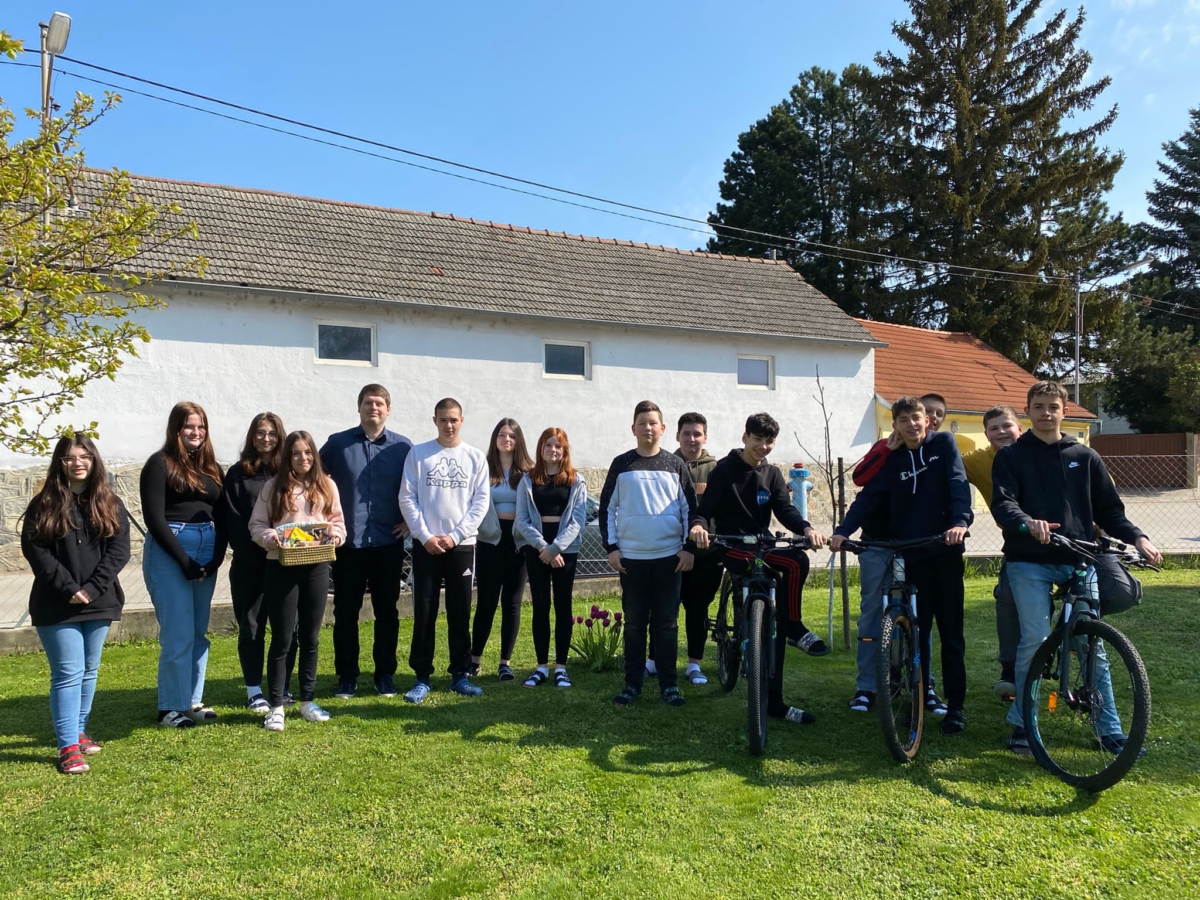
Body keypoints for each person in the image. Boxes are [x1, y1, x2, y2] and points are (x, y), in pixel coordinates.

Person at [991, 381, 1161, 756]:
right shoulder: (1011, 457)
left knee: (1092, 645)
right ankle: (1023, 724)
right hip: (1028, 561)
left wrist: (1138, 537)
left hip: (1079, 560)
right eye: (1038, 406)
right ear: (1028, 411)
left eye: (1053, 406)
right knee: (1033, 640)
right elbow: (1003, 506)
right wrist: (1027, 522)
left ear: (1064, 411)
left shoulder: (1085, 456)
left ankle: (1109, 730)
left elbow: (1110, 511)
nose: (1045, 412)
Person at [832, 396, 973, 735]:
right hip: (912, 555)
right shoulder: (892, 458)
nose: (912, 424)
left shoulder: (944, 444)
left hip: (944, 548)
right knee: (917, 631)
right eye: (904, 419)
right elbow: (869, 495)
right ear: (894, 425)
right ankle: (919, 693)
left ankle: (955, 707)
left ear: (928, 420)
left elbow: (957, 483)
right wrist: (842, 531)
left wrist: (960, 521)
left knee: (951, 633)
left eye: (917, 417)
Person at [694, 413, 828, 724]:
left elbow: (784, 509)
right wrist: (699, 528)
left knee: (797, 561)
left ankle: (789, 633)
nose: (763, 446)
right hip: (732, 546)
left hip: (762, 545)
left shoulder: (773, 474)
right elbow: (706, 510)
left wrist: (806, 529)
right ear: (745, 438)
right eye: (758, 439)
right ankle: (793, 628)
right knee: (788, 563)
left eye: (769, 441)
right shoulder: (724, 471)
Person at [21, 436, 131, 774]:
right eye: (69, 458)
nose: (78, 463)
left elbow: (119, 550)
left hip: (99, 601)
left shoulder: (110, 502)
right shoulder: (44, 504)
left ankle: (78, 731)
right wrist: (68, 588)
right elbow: (35, 551)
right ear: (60, 463)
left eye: (84, 457)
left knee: (88, 670)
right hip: (56, 604)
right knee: (68, 673)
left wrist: (93, 588)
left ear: (95, 461)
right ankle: (67, 746)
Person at [599, 400, 703, 707]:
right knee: (633, 625)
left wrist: (687, 549)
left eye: (652, 422)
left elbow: (690, 511)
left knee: (667, 625)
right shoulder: (621, 464)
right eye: (642, 423)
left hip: (669, 559)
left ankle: (669, 685)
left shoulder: (675, 465)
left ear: (662, 428)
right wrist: (612, 548)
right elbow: (607, 508)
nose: (647, 428)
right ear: (633, 428)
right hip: (630, 560)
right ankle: (632, 685)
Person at [320, 384, 411, 700]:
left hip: (388, 541)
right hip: (349, 544)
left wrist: (411, 522)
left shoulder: (402, 448)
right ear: (358, 407)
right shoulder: (337, 445)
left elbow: (417, 489)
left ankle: (385, 676)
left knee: (388, 612)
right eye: (368, 403)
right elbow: (312, 480)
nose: (374, 408)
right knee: (346, 613)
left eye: (379, 403)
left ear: (388, 409)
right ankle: (347, 677)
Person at [250, 431, 346, 732]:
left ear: (314, 455)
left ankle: (307, 701)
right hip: (281, 567)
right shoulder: (272, 487)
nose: (302, 458)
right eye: (295, 453)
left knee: (311, 637)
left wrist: (337, 535)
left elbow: (339, 523)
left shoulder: (327, 485)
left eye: (307, 453)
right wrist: (271, 537)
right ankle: (276, 706)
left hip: (317, 567)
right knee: (282, 637)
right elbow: (256, 524)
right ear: (286, 457)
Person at [140, 401, 227, 729]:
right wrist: (183, 560)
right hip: (170, 551)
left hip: (206, 550)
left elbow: (222, 515)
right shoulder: (159, 463)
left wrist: (217, 556)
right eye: (190, 426)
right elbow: (154, 517)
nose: (196, 432)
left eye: (201, 426)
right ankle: (169, 708)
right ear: (176, 429)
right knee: (177, 633)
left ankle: (191, 700)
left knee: (197, 632)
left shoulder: (212, 468)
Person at [398, 398, 490, 703]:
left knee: (460, 611)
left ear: (462, 420)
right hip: (426, 546)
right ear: (434, 421)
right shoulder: (419, 454)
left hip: (461, 546)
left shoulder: (475, 457)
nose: (448, 425)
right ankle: (422, 677)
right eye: (442, 420)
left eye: (453, 419)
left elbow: (480, 503)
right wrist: (424, 536)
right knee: (424, 611)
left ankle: (460, 675)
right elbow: (407, 498)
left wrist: (455, 536)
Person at [224, 412, 297, 713]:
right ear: (252, 436)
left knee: (286, 629)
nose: (265, 439)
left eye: (271, 433)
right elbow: (233, 520)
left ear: (280, 437)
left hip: (286, 564)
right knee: (251, 628)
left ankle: (282, 687)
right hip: (250, 564)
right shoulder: (237, 473)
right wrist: (257, 547)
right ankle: (254, 689)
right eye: (259, 433)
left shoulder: (290, 473)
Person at [651, 411, 723, 685]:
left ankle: (694, 664)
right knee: (660, 609)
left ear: (705, 437)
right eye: (686, 433)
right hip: (668, 551)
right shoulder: (664, 464)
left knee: (697, 610)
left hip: (707, 553)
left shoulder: (717, 469)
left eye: (697, 434)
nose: (692, 439)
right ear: (677, 435)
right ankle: (654, 659)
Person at [514, 427, 588, 689]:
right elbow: (522, 520)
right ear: (541, 449)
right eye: (548, 445)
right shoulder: (528, 480)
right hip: (536, 551)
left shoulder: (575, 480)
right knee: (541, 607)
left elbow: (578, 519)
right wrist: (543, 547)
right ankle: (541, 667)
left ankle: (561, 668)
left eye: (558, 446)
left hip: (565, 550)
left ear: (564, 450)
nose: (553, 450)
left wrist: (556, 548)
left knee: (563, 607)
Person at [961, 405, 1022, 699]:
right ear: (986, 434)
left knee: (1113, 591)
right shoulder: (979, 460)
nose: (1001, 432)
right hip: (1020, 544)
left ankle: (1077, 635)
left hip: (1069, 540)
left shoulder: (1041, 451)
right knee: (1007, 601)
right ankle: (1009, 669)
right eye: (994, 428)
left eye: (1006, 425)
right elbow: (943, 466)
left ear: (1019, 427)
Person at [470, 419, 533, 681]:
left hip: (518, 543)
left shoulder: (529, 471)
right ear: (495, 438)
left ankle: (505, 663)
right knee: (486, 602)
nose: (506, 439)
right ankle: (473, 661)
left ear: (518, 441)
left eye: (512, 435)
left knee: (512, 603)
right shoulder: (483, 468)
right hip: (490, 542)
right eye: (501, 434)